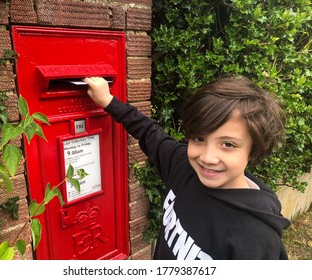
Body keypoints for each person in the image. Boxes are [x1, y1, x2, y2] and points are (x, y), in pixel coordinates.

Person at [83, 75, 291, 260]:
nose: (207, 158)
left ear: (254, 151)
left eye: (228, 144)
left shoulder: (256, 237)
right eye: (199, 138)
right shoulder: (183, 166)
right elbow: (149, 132)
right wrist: (109, 101)